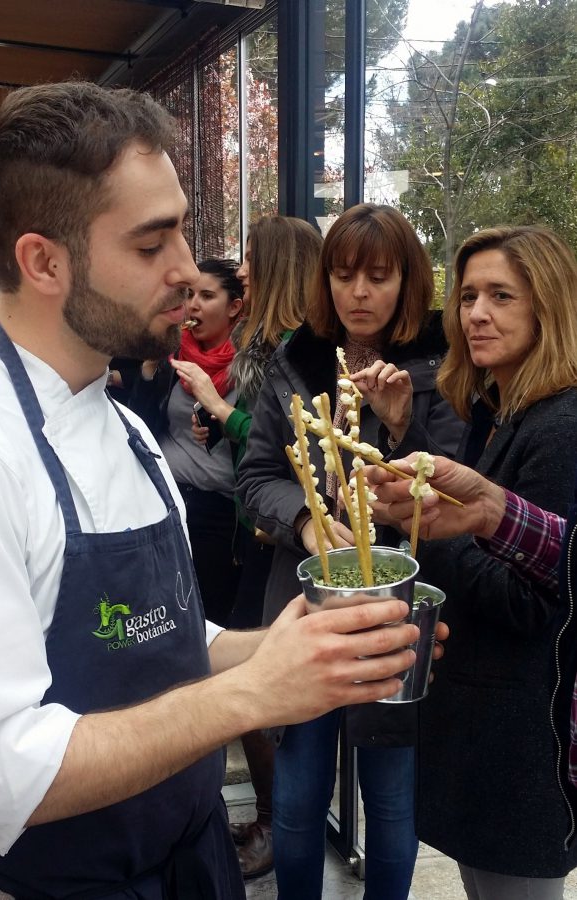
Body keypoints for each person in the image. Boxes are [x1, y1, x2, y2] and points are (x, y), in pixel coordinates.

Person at [0, 82, 431, 900]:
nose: (190, 272)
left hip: (194, 864)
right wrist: (251, 694)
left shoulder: (120, 424)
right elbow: (4, 777)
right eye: (153, 243)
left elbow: (164, 642)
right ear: (43, 261)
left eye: (183, 231)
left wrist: (307, 647)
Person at [237, 202, 464, 900]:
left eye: (377, 275)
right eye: (341, 275)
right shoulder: (295, 359)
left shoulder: (441, 365)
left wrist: (400, 429)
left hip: (392, 609)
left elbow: (452, 488)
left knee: (391, 793)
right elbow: (255, 475)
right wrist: (305, 520)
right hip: (306, 603)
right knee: (299, 789)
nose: (357, 293)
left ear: (408, 281)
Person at [367, 225, 577, 899]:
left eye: (502, 296)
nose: (477, 312)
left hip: (521, 746)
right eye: (469, 296)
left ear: (549, 306)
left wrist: (423, 525)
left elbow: (532, 600)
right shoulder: (501, 409)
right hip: (486, 730)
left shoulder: (560, 427)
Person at [161, 217, 323, 879]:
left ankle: (273, 823)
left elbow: (282, 446)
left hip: (263, 537)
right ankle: (270, 818)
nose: (243, 277)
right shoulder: (264, 343)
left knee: (258, 682)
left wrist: (219, 410)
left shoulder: (293, 350)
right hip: (244, 526)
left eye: (252, 265)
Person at [130, 258, 244, 626]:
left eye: (207, 296)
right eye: (191, 294)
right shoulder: (173, 354)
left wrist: (217, 415)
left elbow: (258, 440)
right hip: (166, 499)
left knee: (209, 616)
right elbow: (141, 427)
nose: (193, 305)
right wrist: (148, 368)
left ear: (234, 308)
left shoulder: (249, 365)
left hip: (219, 511)